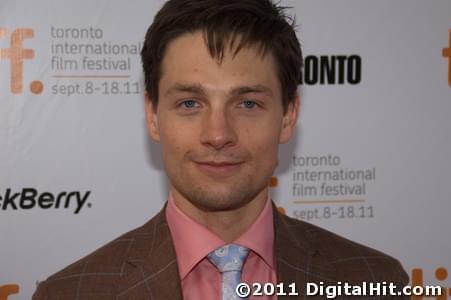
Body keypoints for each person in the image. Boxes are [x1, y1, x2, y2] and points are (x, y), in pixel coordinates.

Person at [33, 0, 408, 299]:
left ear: (288, 116)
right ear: (152, 115)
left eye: (247, 104)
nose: (218, 135)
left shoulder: (375, 283)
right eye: (190, 104)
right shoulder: (70, 292)